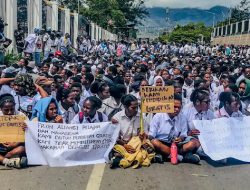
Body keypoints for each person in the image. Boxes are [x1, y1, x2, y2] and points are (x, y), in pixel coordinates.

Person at [149, 94, 200, 164]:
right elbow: (151, 135)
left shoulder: (182, 117)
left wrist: (180, 138)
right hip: (162, 144)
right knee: (154, 142)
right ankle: (181, 157)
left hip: (176, 145)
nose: (177, 109)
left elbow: (183, 134)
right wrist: (147, 137)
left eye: (179, 107)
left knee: (192, 143)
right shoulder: (158, 116)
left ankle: (166, 155)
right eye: (174, 107)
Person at [0, 94, 27, 168]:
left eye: (12, 109)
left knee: (21, 149)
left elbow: (27, 135)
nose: (9, 112)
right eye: (6, 110)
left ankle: (6, 157)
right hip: (1, 145)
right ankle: (9, 161)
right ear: (1, 109)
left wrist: (14, 144)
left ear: (14, 106)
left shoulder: (21, 116)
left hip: (16, 145)